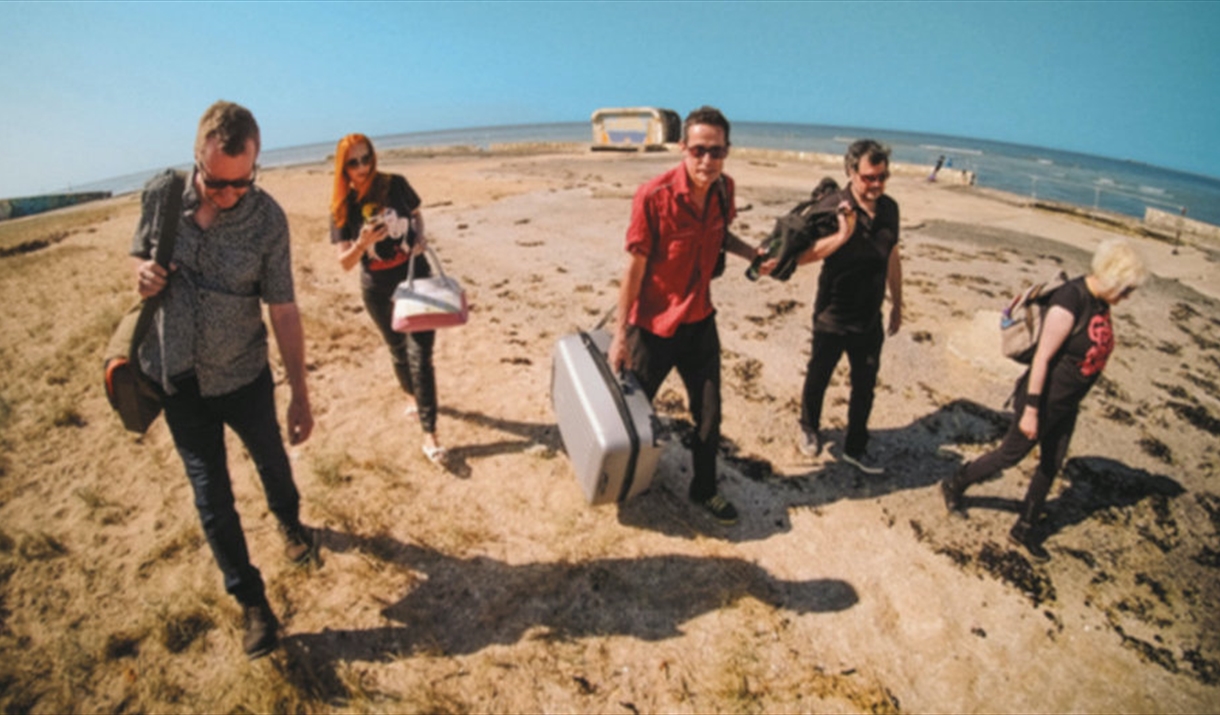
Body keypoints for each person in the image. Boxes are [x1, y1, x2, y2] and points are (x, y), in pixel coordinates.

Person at [131, 100, 315, 659]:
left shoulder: (267, 219)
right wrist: (138, 274)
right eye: (216, 183)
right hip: (178, 379)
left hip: (245, 373)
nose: (229, 195)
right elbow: (138, 259)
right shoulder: (161, 197)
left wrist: (300, 393)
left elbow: (283, 309)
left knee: (271, 461)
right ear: (196, 158)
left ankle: (290, 524)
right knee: (211, 498)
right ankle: (252, 603)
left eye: (241, 183)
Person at [941, 239, 1148, 561]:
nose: (1127, 297)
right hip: (1042, 400)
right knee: (1009, 456)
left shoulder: (1101, 302)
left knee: (1052, 464)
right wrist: (1032, 412)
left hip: (1067, 403)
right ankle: (955, 483)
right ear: (1112, 279)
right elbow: (1042, 360)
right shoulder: (1071, 300)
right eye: (1125, 289)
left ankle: (1024, 528)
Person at [608, 106, 759, 525]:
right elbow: (634, 268)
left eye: (717, 151)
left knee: (710, 415)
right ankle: (616, 478)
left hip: (700, 322)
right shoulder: (653, 196)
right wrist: (620, 336)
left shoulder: (725, 189)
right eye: (698, 150)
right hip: (652, 327)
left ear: (727, 151)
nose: (707, 161)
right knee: (630, 414)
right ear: (682, 148)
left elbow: (720, 233)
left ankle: (704, 489)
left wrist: (753, 254)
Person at [329, 134, 447, 463]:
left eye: (367, 158)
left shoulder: (395, 185)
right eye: (354, 162)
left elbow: (418, 214)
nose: (363, 167)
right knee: (397, 349)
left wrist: (420, 236)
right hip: (377, 288)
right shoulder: (342, 206)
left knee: (420, 355)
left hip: (415, 277)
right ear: (343, 168)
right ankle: (411, 395)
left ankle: (430, 434)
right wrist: (363, 243)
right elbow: (344, 263)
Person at [794, 139, 903, 475]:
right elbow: (800, 257)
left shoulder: (890, 209)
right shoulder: (830, 208)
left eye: (882, 177)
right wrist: (842, 235)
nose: (876, 185)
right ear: (851, 172)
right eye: (869, 177)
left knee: (865, 385)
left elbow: (892, 255)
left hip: (869, 317)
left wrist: (898, 301)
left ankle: (856, 446)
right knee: (819, 375)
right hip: (833, 316)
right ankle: (808, 427)